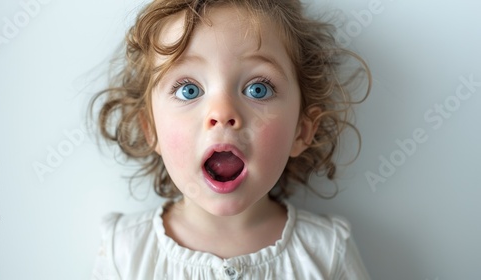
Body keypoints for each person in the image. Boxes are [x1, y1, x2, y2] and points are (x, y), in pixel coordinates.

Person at [90, 0, 371, 279]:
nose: (222, 113)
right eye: (189, 90)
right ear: (151, 129)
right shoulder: (125, 252)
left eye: (258, 89)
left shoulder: (327, 252)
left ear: (302, 130)